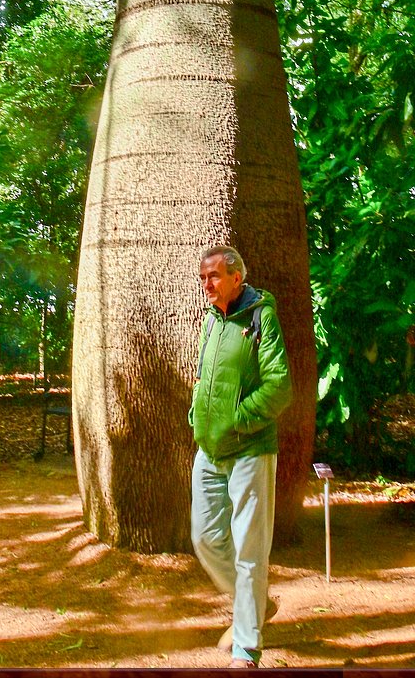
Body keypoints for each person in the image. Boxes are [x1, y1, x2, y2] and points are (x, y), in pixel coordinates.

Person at [189, 244, 293, 669]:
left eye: (213, 276)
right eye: (202, 278)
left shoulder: (260, 316)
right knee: (205, 537)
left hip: (250, 449)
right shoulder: (212, 321)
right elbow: (203, 376)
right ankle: (255, 603)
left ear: (236, 277)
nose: (206, 284)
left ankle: (246, 648)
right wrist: (198, 414)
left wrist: (237, 419)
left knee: (250, 551)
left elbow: (279, 386)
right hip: (210, 448)